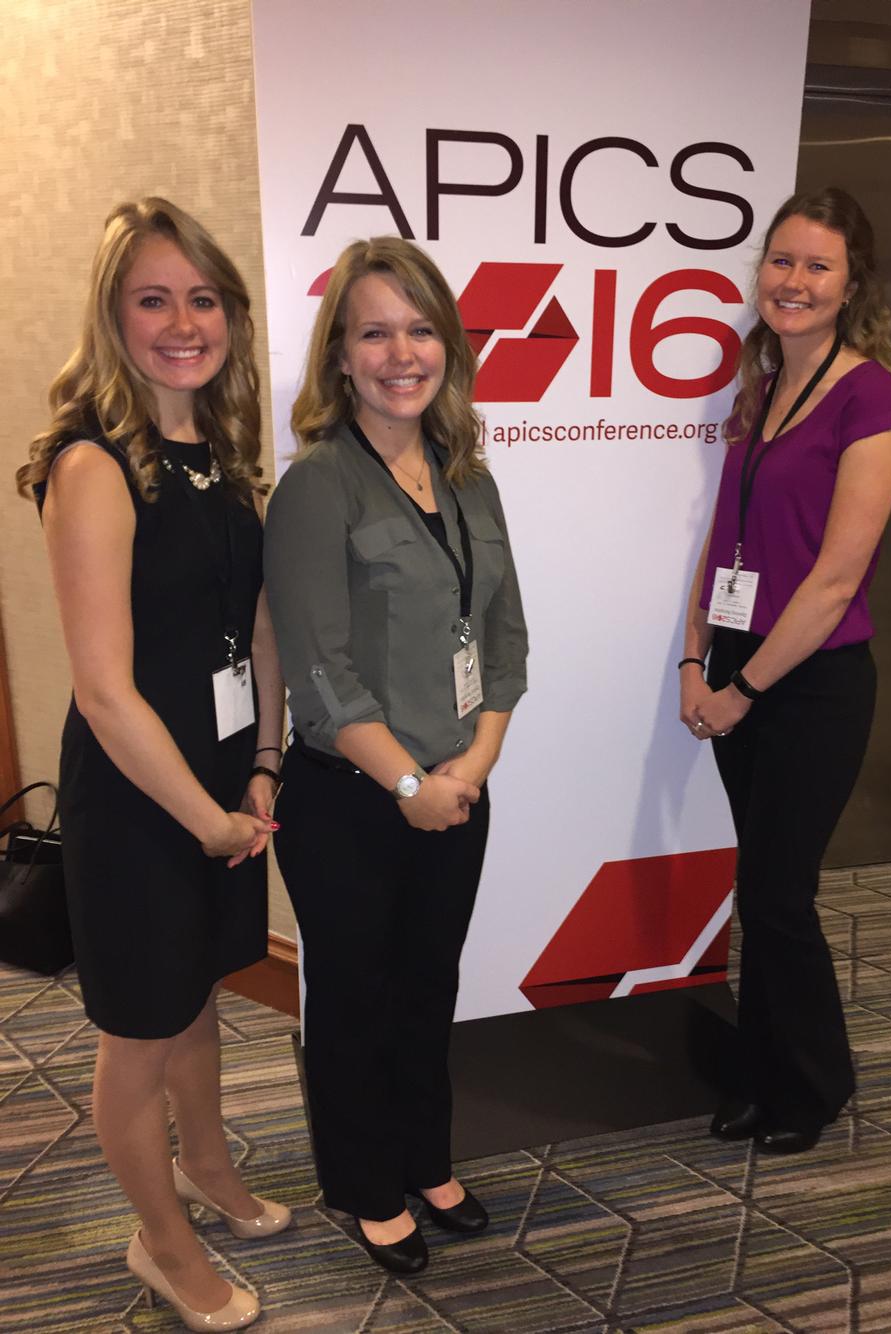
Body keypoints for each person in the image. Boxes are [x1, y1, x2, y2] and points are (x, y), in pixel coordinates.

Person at [17, 198, 291, 1330]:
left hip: (225, 790)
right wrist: (205, 816)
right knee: (137, 1029)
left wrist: (264, 763)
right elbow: (104, 689)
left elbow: (257, 624)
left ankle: (209, 1168)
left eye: (202, 298)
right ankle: (160, 1244)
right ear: (113, 315)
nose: (183, 321)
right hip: (141, 803)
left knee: (196, 1001)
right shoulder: (94, 465)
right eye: (153, 299)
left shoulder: (219, 456)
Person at [264, 236, 527, 1274]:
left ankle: (425, 1155)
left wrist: (472, 766)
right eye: (373, 330)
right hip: (353, 801)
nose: (400, 351)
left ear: (449, 349)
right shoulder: (317, 487)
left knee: (428, 982)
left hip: (459, 789)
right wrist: (413, 782)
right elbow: (321, 673)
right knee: (356, 993)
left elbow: (504, 641)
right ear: (339, 355)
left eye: (419, 328)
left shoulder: (471, 478)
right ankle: (364, 1179)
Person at [678, 187, 891, 1155]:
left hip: (812, 678)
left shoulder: (871, 397)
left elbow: (832, 581)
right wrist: (699, 655)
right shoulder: (764, 383)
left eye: (816, 265)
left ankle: (812, 1085)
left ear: (850, 282)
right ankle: (765, 1067)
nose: (792, 280)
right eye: (781, 260)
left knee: (781, 891)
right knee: (759, 885)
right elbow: (723, 537)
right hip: (740, 660)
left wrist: (739, 692)